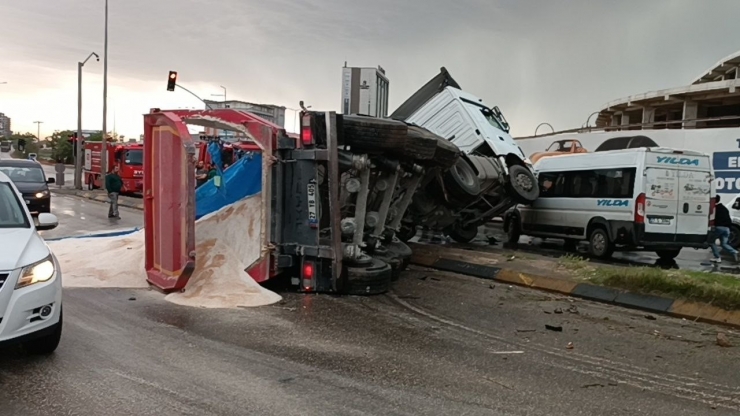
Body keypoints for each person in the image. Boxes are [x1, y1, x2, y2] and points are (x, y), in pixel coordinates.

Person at [709, 195, 738, 263]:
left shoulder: (715, 208)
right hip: (727, 229)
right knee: (724, 244)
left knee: (711, 242)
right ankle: (734, 252)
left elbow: (712, 218)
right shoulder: (724, 208)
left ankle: (717, 257)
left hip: (719, 227)